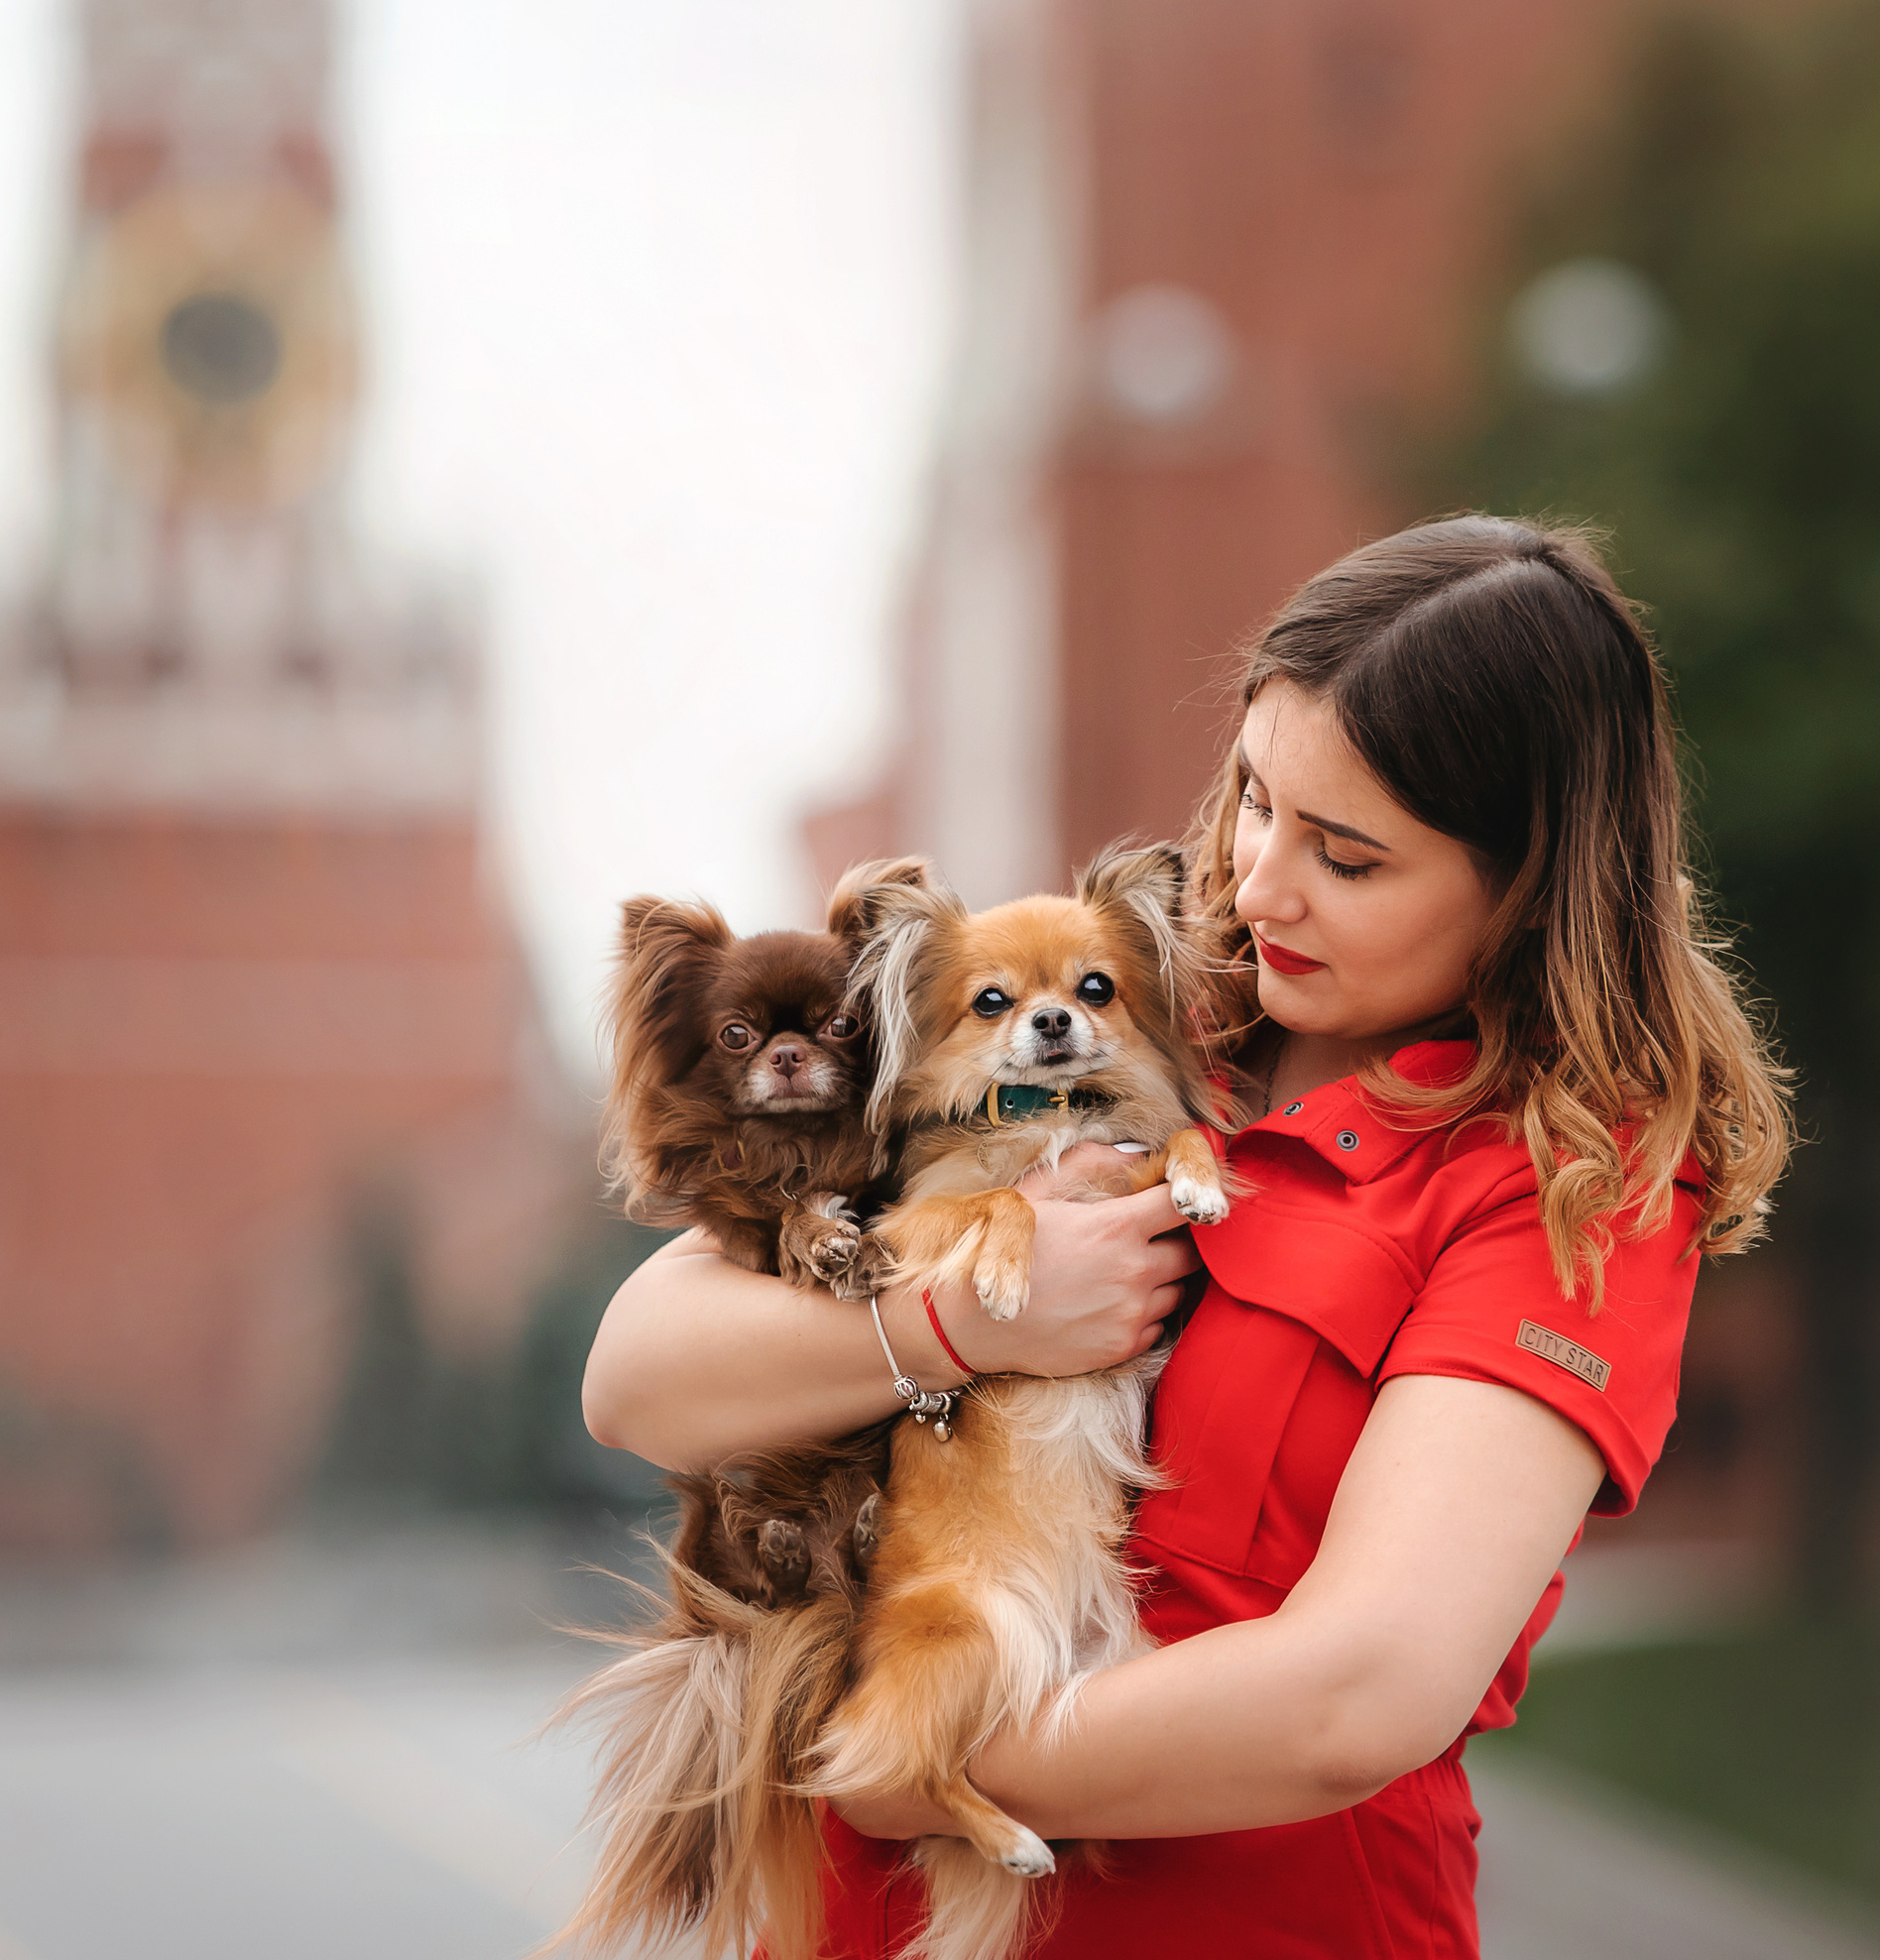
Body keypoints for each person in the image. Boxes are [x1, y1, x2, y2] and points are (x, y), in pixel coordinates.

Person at [580, 516, 1792, 1957]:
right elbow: (639, 1379)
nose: (1262, 884)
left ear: (1526, 887)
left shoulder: (1560, 1180)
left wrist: (928, 1760)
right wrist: (964, 1323)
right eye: (1256, 803)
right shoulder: (1116, 1015)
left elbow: (1362, 1690)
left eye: (1346, 857)